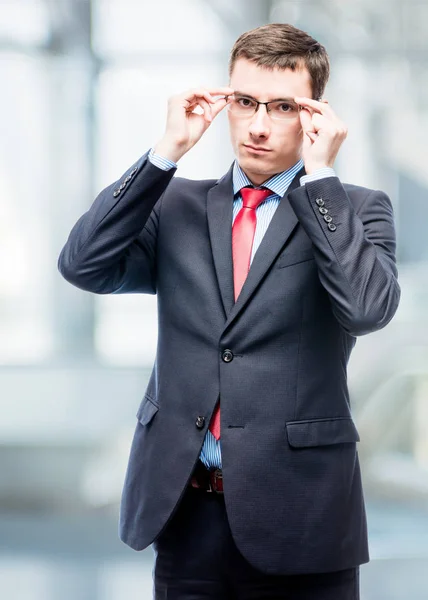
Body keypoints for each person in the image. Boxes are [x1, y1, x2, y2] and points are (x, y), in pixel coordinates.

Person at [58, 22, 400, 600]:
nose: (259, 125)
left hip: (304, 516)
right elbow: (84, 263)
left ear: (314, 114)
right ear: (227, 100)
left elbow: (367, 308)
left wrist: (321, 179)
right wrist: (164, 153)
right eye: (245, 102)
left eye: (283, 107)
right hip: (186, 512)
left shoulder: (354, 208)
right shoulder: (177, 206)